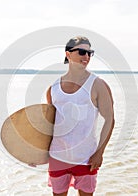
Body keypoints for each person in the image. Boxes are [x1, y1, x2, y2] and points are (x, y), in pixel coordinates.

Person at [46, 36, 115, 196]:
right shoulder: (53, 88)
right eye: (82, 52)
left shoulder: (98, 85)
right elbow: (48, 124)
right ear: (68, 54)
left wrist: (100, 152)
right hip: (57, 157)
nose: (87, 57)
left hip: (86, 158)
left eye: (90, 53)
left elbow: (109, 119)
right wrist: (34, 153)